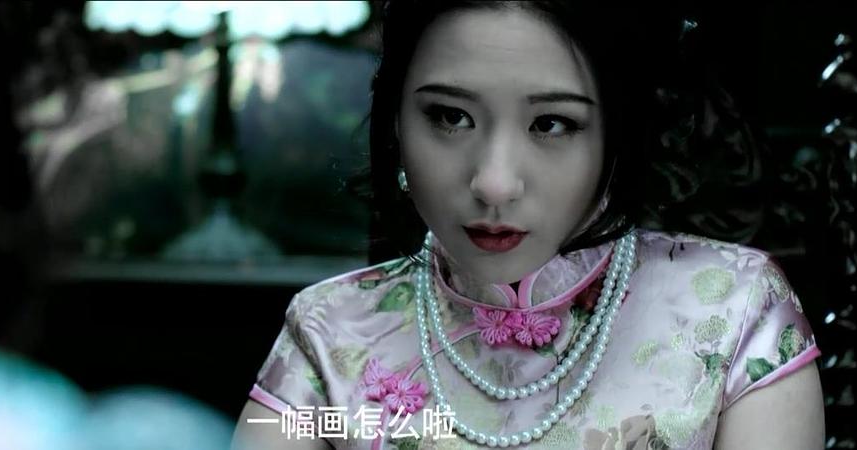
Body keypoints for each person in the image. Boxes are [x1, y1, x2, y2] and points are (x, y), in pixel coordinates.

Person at [232, 1, 823, 449]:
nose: (493, 183)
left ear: (622, 133)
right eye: (450, 116)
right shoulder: (328, 333)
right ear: (394, 122)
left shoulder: (733, 315)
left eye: (551, 124)